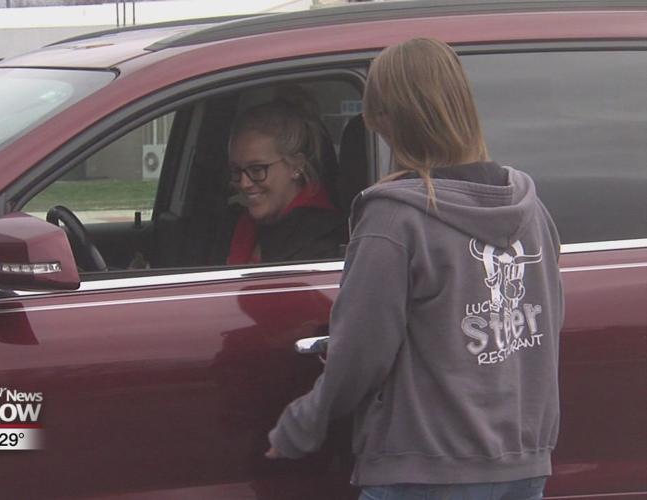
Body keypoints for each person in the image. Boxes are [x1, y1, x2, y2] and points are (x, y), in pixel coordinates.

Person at [265, 38, 564, 498]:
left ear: (388, 120)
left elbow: (360, 354)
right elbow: (545, 330)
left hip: (424, 471)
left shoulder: (394, 220)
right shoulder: (531, 210)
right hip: (522, 468)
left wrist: (301, 425)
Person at [225, 98, 344, 264]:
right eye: (237, 170)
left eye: (257, 169)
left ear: (297, 166)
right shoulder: (241, 226)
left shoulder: (321, 240)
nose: (244, 183)